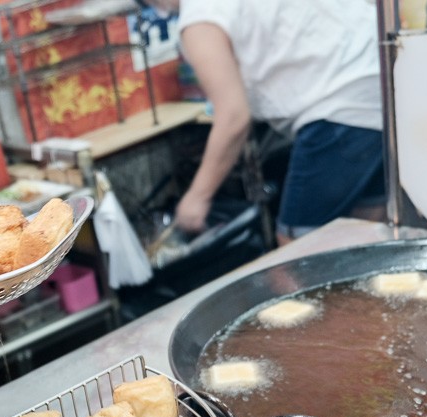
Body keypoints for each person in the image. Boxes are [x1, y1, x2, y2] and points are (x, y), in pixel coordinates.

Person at [150, 0, 386, 244]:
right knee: (367, 228)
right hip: (384, 83)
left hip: (342, 107)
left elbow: (234, 117)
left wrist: (198, 196)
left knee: (295, 250)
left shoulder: (199, 18)